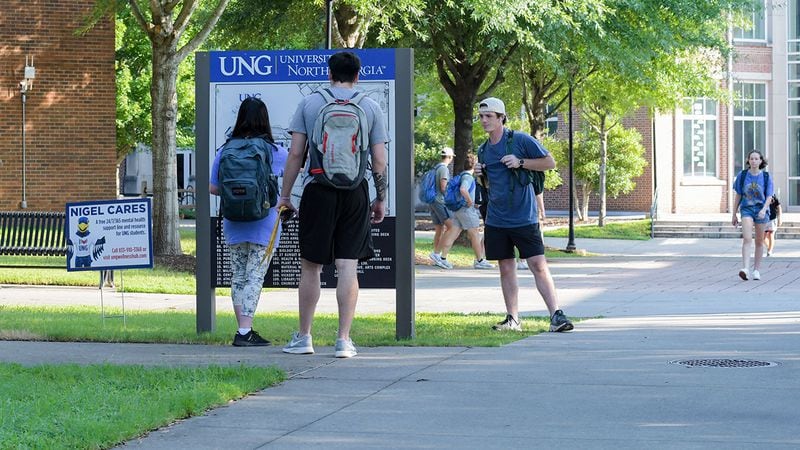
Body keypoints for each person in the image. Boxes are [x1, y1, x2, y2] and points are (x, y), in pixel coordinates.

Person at [277, 51, 388, 358]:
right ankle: (343, 340)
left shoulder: (310, 103)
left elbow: (296, 155)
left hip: (317, 189)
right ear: (358, 75)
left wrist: (285, 196)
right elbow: (379, 160)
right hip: (355, 192)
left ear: (329, 73)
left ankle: (304, 337)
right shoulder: (370, 106)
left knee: (311, 266)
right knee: (347, 266)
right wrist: (380, 199)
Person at [473, 97, 573, 332]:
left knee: (538, 264)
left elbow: (550, 162)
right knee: (505, 267)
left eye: (489, 116)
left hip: (524, 217)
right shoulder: (483, 149)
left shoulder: (519, 140)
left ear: (501, 118)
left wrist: (521, 162)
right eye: (481, 117)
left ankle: (556, 315)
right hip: (496, 219)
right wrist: (480, 173)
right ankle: (513, 319)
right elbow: (488, 186)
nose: (484, 120)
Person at [210, 97, 288, 347]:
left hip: (233, 222)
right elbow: (296, 172)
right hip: (264, 223)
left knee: (239, 276)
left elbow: (213, 187)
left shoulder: (225, 150)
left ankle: (243, 328)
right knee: (254, 276)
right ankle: (244, 332)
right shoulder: (275, 152)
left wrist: (237, 193)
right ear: (265, 120)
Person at [439, 153, 495, 269]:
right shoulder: (468, 177)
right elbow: (463, 189)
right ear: (474, 166)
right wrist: (470, 201)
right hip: (466, 210)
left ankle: (442, 258)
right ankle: (480, 260)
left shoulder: (462, 175)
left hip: (458, 210)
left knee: (453, 233)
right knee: (475, 234)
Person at [732, 149, 773, 281]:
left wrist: (764, 209)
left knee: (759, 242)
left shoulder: (766, 177)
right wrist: (734, 214)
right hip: (747, 210)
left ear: (761, 161)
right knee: (747, 238)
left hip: (761, 211)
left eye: (756, 159)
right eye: (751, 158)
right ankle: (745, 269)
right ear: (748, 161)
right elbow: (738, 194)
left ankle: (756, 270)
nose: (754, 161)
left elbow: (769, 196)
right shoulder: (742, 175)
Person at [428, 147, 456, 269]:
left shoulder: (436, 167)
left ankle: (436, 257)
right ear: (449, 157)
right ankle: (437, 254)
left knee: (439, 229)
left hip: (432, 201)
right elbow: (443, 187)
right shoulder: (444, 169)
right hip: (440, 201)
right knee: (451, 227)